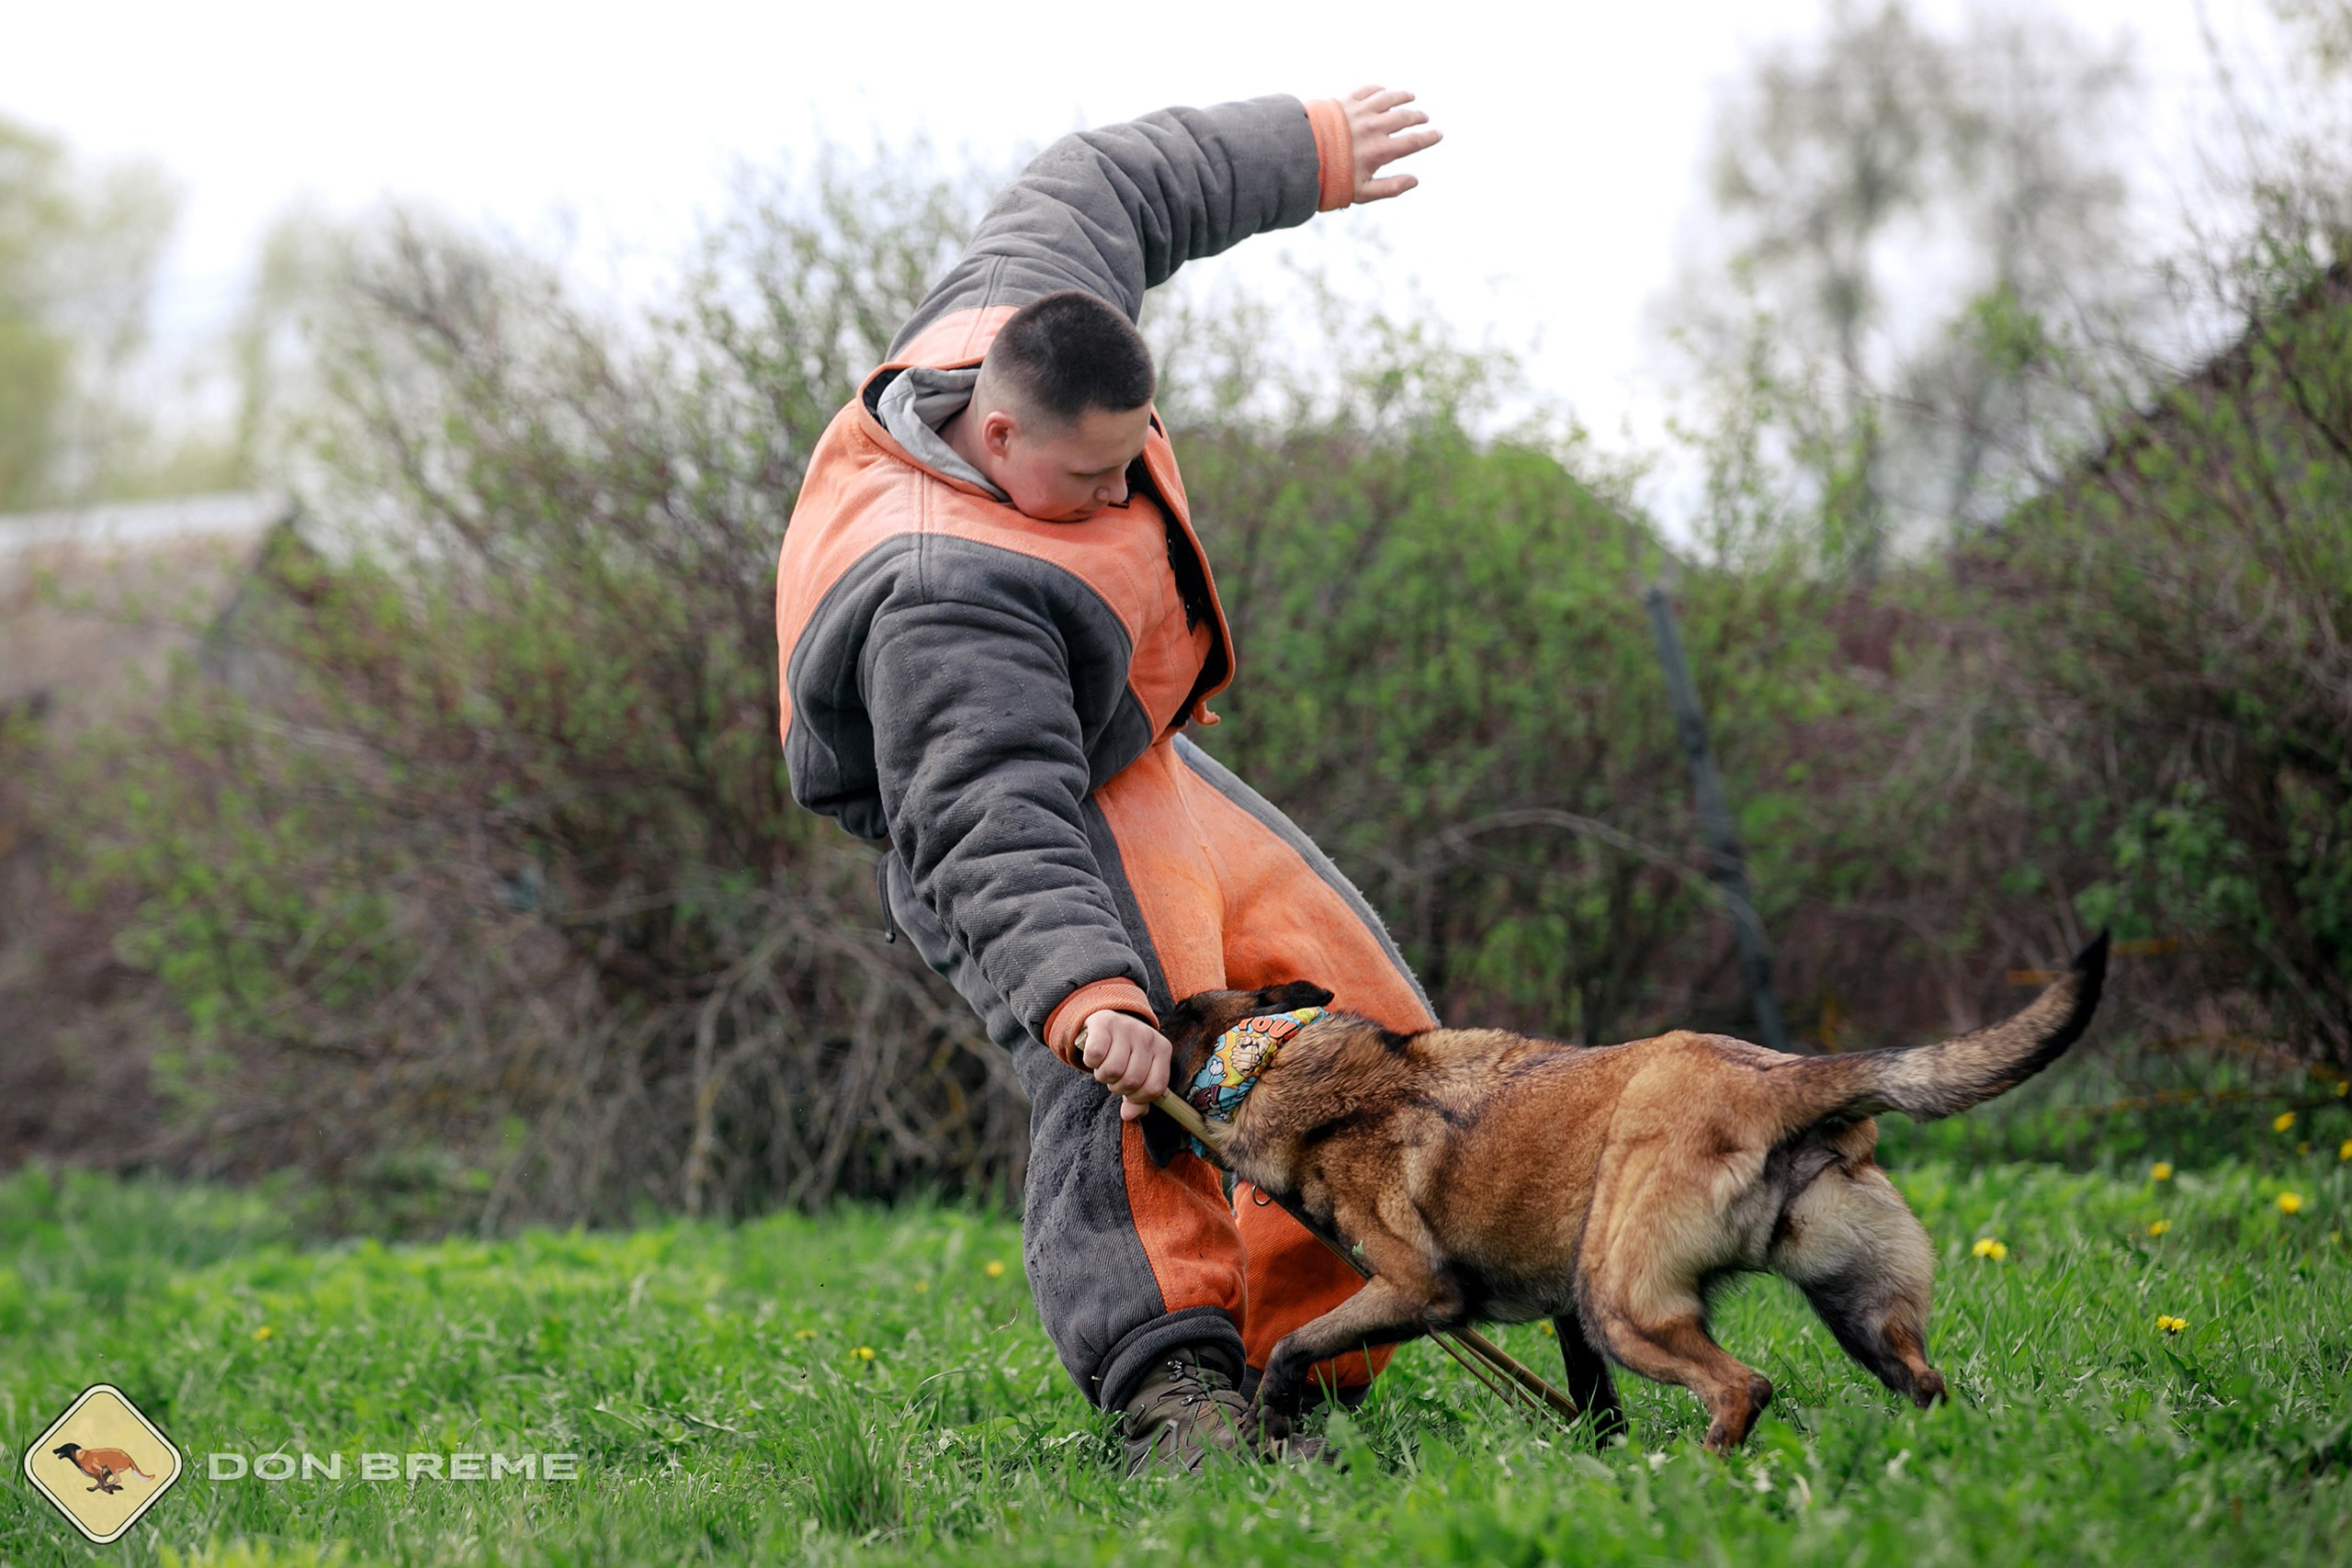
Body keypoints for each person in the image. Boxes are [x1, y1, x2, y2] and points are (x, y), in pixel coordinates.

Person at [775, 85, 1443, 1472]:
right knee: (1135, 1052)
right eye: (1091, 477)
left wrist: (1310, 150)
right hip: (1000, 814)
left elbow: (1117, 174)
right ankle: (1175, 1398)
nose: (1117, 490)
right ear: (1001, 441)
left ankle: (1308, 1363)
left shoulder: (1020, 307)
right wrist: (1083, 994)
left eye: (1132, 457)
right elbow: (987, 819)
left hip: (1127, 751)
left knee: (1361, 1009)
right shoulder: (939, 599)